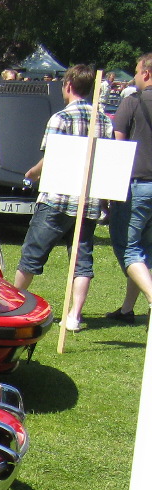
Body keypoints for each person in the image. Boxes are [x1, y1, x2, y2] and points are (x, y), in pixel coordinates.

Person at [12, 64, 115, 330]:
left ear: (68, 85)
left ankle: (12, 307)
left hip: (57, 199)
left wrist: (32, 173)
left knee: (32, 255)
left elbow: (52, 157)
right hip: (88, 201)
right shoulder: (103, 119)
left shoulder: (61, 118)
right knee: (82, 260)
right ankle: (74, 316)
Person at [106, 53, 152, 321]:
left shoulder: (132, 102)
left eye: (136, 72)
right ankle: (127, 310)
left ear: (146, 73)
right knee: (146, 250)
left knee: (128, 248)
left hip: (136, 186)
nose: (134, 77)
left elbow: (117, 147)